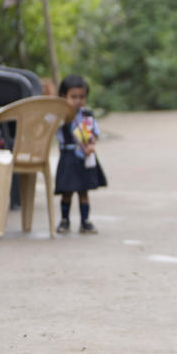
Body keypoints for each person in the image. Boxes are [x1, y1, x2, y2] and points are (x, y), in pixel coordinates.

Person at [54, 74, 107, 234]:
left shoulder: (87, 116)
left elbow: (94, 133)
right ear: (63, 97)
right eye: (73, 97)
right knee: (67, 192)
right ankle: (64, 221)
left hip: (84, 157)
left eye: (82, 97)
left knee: (83, 191)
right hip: (68, 157)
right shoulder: (60, 117)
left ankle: (85, 221)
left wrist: (91, 144)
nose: (78, 100)